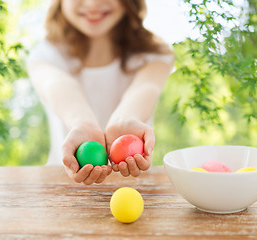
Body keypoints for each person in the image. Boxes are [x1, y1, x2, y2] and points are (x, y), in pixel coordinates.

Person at [27, 0, 174, 185]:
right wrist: (82, 122)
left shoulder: (154, 53)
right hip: (61, 186)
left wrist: (124, 118)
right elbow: (57, 85)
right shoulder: (46, 54)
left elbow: (145, 88)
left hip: (136, 187)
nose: (92, 3)